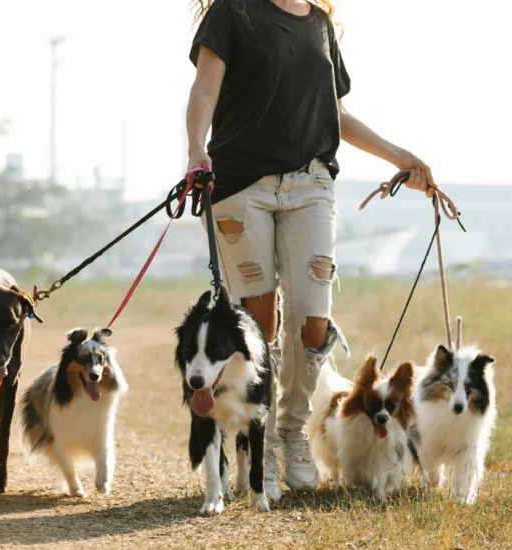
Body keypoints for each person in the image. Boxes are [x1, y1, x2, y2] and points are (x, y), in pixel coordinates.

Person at [186, 0, 438, 499]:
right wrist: (197, 149)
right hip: (240, 185)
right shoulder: (233, 12)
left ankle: (293, 430)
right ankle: (262, 443)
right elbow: (204, 89)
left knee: (312, 315)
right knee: (258, 318)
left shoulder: (320, 24)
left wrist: (402, 157)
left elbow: (336, 114)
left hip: (311, 185)